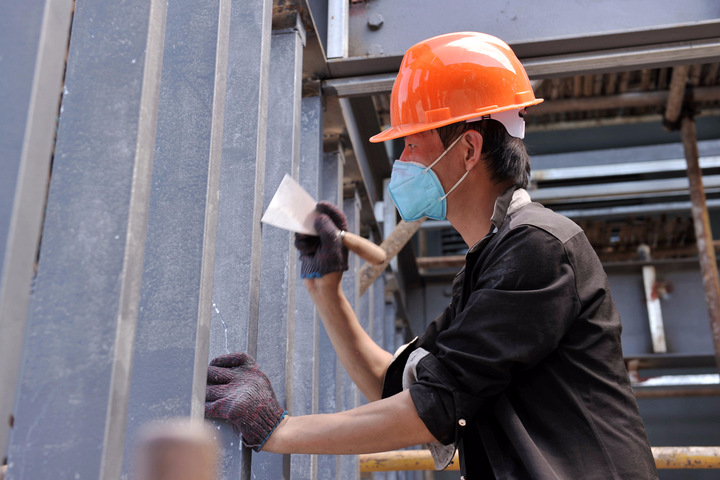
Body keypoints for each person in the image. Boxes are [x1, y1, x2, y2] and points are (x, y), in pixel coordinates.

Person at [205, 32, 659, 479]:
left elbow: (431, 407)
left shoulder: (539, 247)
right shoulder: (492, 261)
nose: (402, 160)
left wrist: (277, 430)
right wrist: (326, 288)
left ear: (467, 149)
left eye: (411, 142)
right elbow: (397, 385)